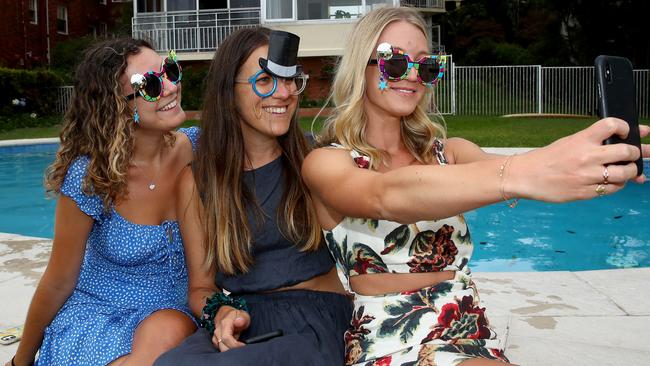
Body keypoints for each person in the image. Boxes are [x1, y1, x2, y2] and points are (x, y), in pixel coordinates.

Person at [301, 6, 649, 366]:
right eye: (396, 62)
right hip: (390, 337)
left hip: (467, 325)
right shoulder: (328, 162)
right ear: (362, 66)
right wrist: (521, 173)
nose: (413, 76)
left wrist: (600, 165)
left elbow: (535, 171)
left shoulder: (450, 153)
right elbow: (385, 196)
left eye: (427, 65)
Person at [153, 28, 353, 366]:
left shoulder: (316, 161)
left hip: (314, 320)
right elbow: (201, 289)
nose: (284, 93)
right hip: (247, 322)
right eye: (265, 80)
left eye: (290, 80)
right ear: (228, 93)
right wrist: (222, 313)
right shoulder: (199, 181)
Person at [6, 38, 201, 366]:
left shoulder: (199, 150)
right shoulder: (92, 178)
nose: (169, 87)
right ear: (117, 106)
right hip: (97, 317)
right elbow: (58, 281)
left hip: (172, 314)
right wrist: (20, 361)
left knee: (164, 335)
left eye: (169, 70)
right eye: (150, 84)